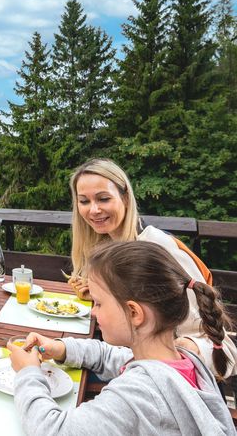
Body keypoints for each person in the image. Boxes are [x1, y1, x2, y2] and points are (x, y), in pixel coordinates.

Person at [8, 241, 236, 436]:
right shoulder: (182, 361)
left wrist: (28, 373)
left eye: (98, 303)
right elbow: (113, 356)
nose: (93, 312)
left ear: (134, 313)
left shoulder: (136, 395)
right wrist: (60, 348)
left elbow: (52, 430)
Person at [68, 158, 237, 377]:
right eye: (84, 201)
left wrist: (179, 353)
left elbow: (220, 345)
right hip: (127, 363)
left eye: (103, 198)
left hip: (169, 381)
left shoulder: (158, 248)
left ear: (126, 197)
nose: (94, 210)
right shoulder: (107, 247)